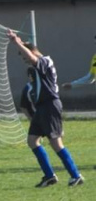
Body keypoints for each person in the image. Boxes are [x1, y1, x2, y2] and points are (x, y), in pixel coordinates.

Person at [6, 29, 84, 187]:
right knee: (32, 141)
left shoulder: (45, 61)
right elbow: (30, 57)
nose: (25, 61)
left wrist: (16, 42)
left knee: (56, 143)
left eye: (25, 57)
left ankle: (75, 176)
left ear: (33, 51)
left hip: (50, 104)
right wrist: (20, 43)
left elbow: (31, 57)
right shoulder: (37, 66)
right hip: (42, 107)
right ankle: (49, 176)